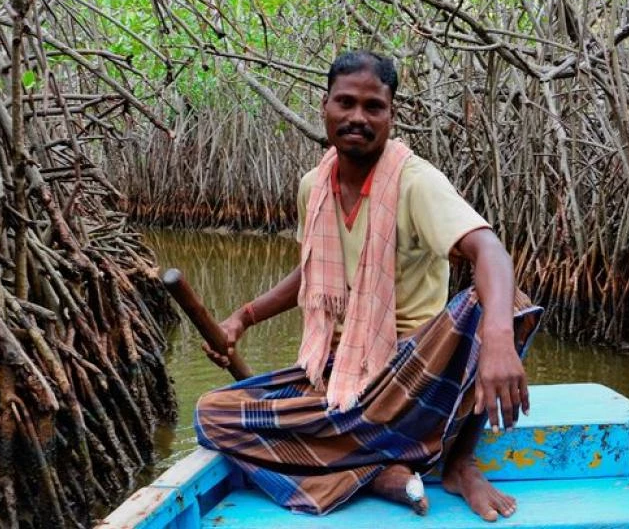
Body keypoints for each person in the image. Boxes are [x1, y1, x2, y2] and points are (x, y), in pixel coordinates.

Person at [194, 51, 540, 521]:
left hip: (412, 373)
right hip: (338, 373)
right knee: (212, 414)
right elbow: (312, 271)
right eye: (346, 103)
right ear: (325, 107)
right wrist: (243, 317)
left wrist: (499, 339)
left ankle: (459, 462)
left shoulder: (416, 183)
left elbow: (489, 251)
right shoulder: (312, 186)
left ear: (390, 115)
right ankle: (372, 472)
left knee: (502, 304)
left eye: (373, 107)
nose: (357, 117)